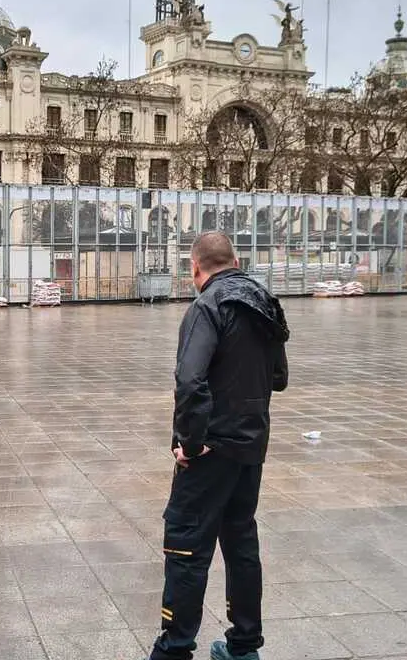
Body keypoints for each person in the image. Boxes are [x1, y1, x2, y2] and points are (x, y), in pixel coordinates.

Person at [146, 231, 290, 660]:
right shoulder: (265, 303)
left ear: (195, 268)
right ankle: (244, 646)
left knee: (186, 546)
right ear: (235, 259)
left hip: (210, 452)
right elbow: (279, 379)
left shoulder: (207, 306)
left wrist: (190, 444)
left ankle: (173, 650)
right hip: (251, 448)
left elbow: (190, 381)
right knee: (241, 540)